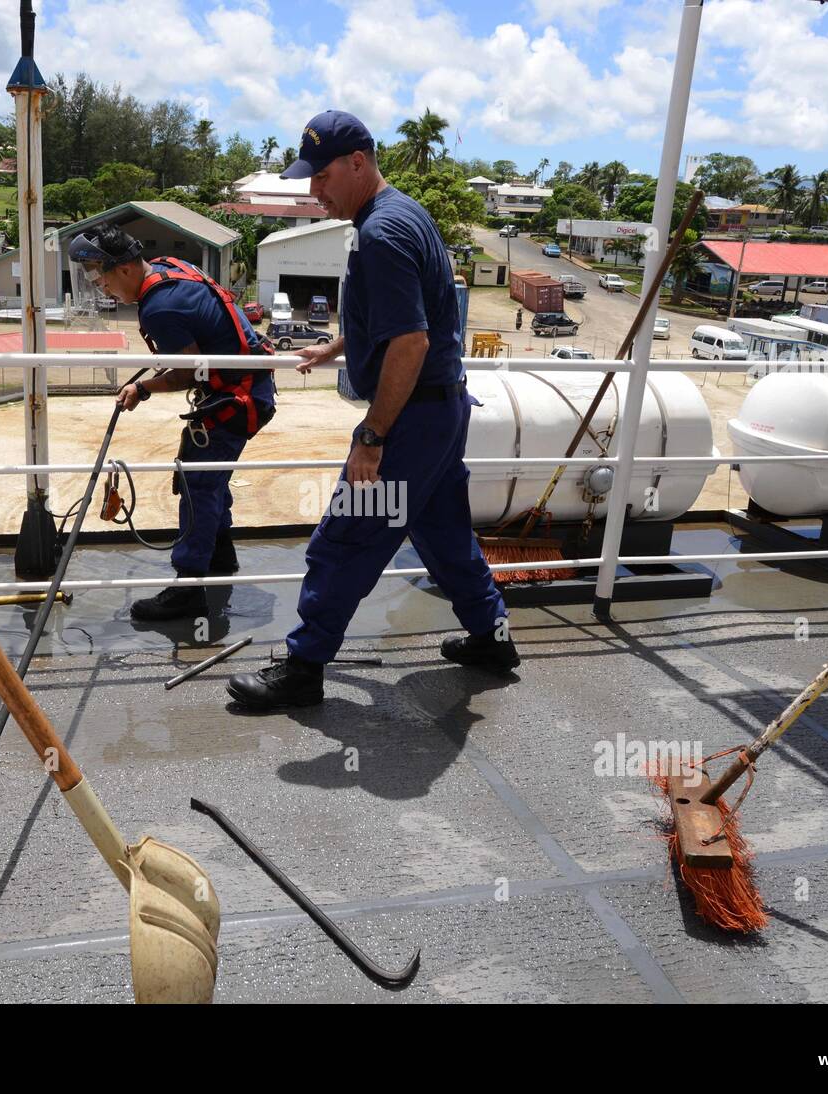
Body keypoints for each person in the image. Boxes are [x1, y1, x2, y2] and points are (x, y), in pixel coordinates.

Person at [226, 110, 517, 710]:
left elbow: (409, 342)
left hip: (409, 421)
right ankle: (493, 638)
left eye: (323, 176)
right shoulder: (403, 213)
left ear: (358, 164)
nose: (315, 191)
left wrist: (373, 434)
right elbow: (412, 319)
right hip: (441, 411)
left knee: (346, 536)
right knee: (442, 531)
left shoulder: (381, 234)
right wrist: (337, 345)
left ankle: (304, 666)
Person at [67, 225, 276, 620]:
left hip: (237, 398)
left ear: (126, 269)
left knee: (198, 486)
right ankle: (219, 556)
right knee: (210, 481)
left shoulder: (159, 307)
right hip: (245, 389)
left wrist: (143, 389)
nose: (101, 287)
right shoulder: (168, 266)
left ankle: (189, 588)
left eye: (102, 276)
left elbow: (186, 374)